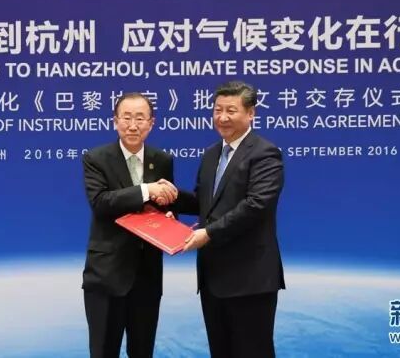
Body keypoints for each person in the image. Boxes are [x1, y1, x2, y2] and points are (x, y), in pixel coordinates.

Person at [179, 80, 286, 358]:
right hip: (213, 277)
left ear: (250, 113)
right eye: (218, 110)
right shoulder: (211, 154)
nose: (222, 117)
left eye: (231, 110)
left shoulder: (264, 153)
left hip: (250, 278)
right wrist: (170, 198)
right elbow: (203, 202)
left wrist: (208, 233)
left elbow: (255, 206)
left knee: (253, 352)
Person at [81, 92, 179, 358]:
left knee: (142, 350)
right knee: (103, 351)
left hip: (147, 274)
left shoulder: (162, 160)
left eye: (140, 118)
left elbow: (163, 205)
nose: (133, 125)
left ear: (151, 123)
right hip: (107, 274)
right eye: (126, 118)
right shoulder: (96, 158)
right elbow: (101, 202)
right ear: (115, 121)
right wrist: (147, 189)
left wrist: (169, 218)